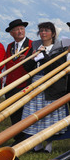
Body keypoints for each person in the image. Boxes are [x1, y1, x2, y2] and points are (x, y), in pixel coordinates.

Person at [20, 22, 69, 153]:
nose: (43, 33)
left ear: (53, 34)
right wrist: (34, 58)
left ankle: (48, 145)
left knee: (49, 115)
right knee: (34, 113)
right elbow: (27, 67)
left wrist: (44, 56)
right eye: (41, 31)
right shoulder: (35, 46)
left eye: (46, 31)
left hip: (52, 84)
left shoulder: (60, 47)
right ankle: (37, 145)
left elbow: (56, 66)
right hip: (36, 82)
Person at [3, 19, 33, 144]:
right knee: (14, 113)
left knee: (25, 112)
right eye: (16, 29)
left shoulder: (32, 44)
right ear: (11, 33)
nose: (20, 31)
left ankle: (28, 138)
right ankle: (18, 137)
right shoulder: (10, 46)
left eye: (21, 28)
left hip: (25, 83)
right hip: (10, 84)